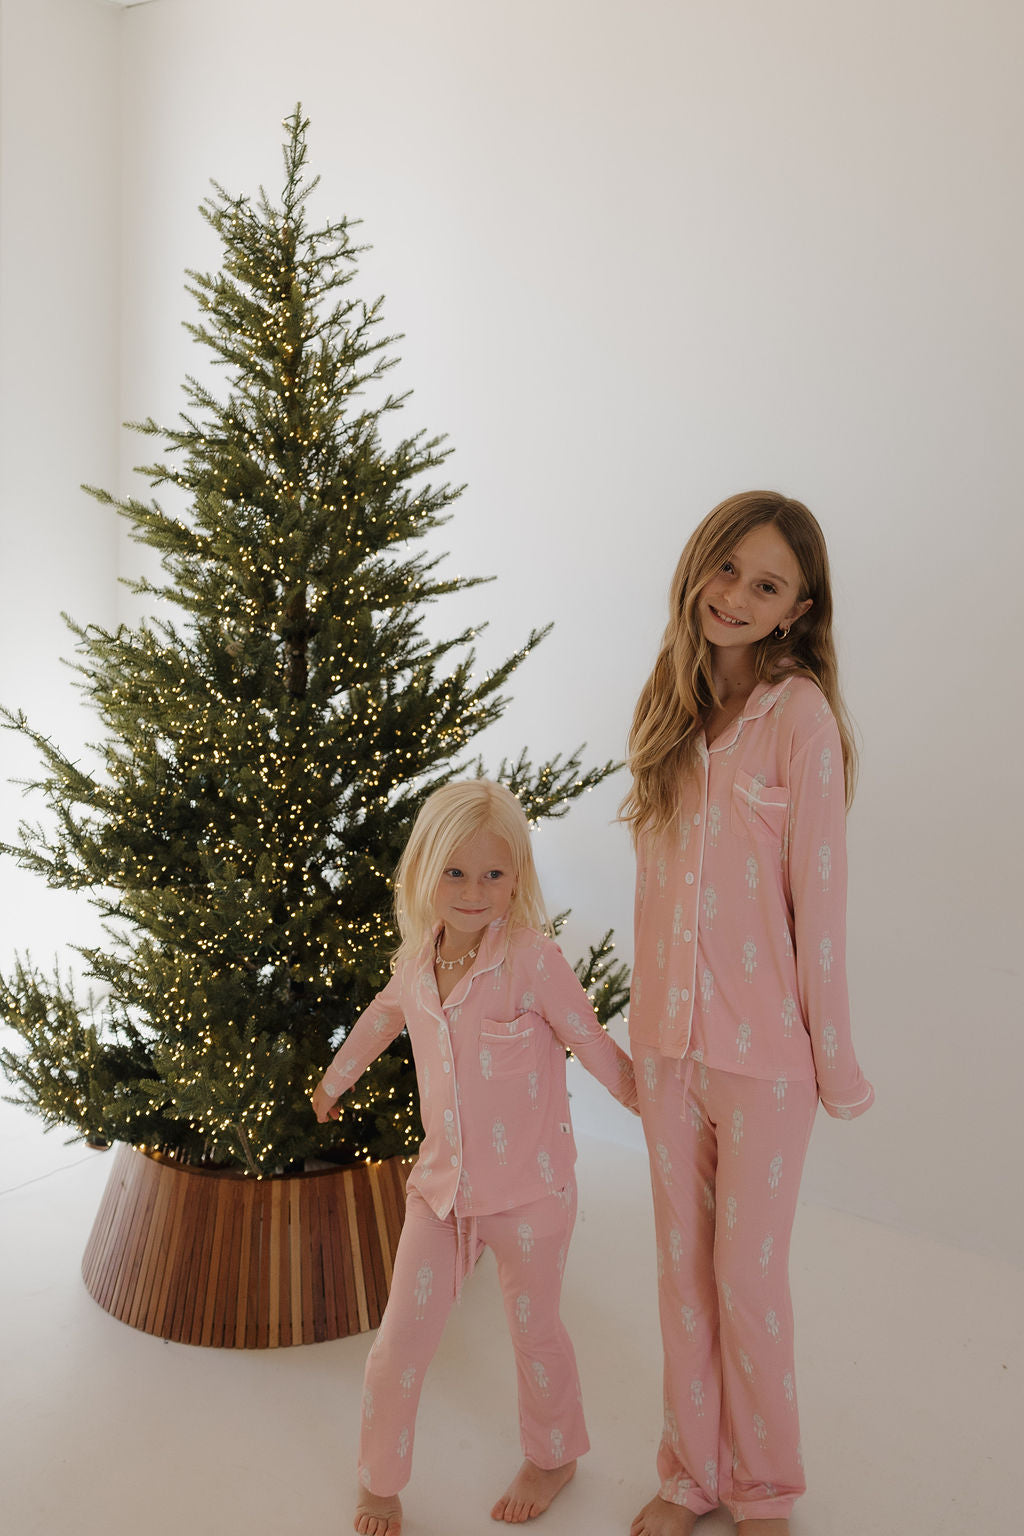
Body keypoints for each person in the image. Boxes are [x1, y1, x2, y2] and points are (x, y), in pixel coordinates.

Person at [621, 491, 874, 1536]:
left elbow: (819, 902)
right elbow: (654, 899)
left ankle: (765, 1487)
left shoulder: (799, 720)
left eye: (762, 584)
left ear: (794, 609)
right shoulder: (671, 714)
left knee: (746, 1276)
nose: (732, 595)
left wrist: (833, 1059)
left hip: (764, 1060)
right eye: (724, 568)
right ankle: (691, 1474)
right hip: (669, 1052)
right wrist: (641, 1042)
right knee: (680, 1271)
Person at [312, 777, 638, 1536]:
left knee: (537, 1333)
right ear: (424, 871)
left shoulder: (531, 959)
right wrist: (334, 1082)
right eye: (455, 872)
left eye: (492, 874)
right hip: (443, 1193)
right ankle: (379, 1480)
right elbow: (380, 1019)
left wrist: (650, 1105)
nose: (473, 890)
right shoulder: (417, 963)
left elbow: (590, 1042)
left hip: (531, 1193)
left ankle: (554, 1454)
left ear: (516, 879)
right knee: (397, 1348)